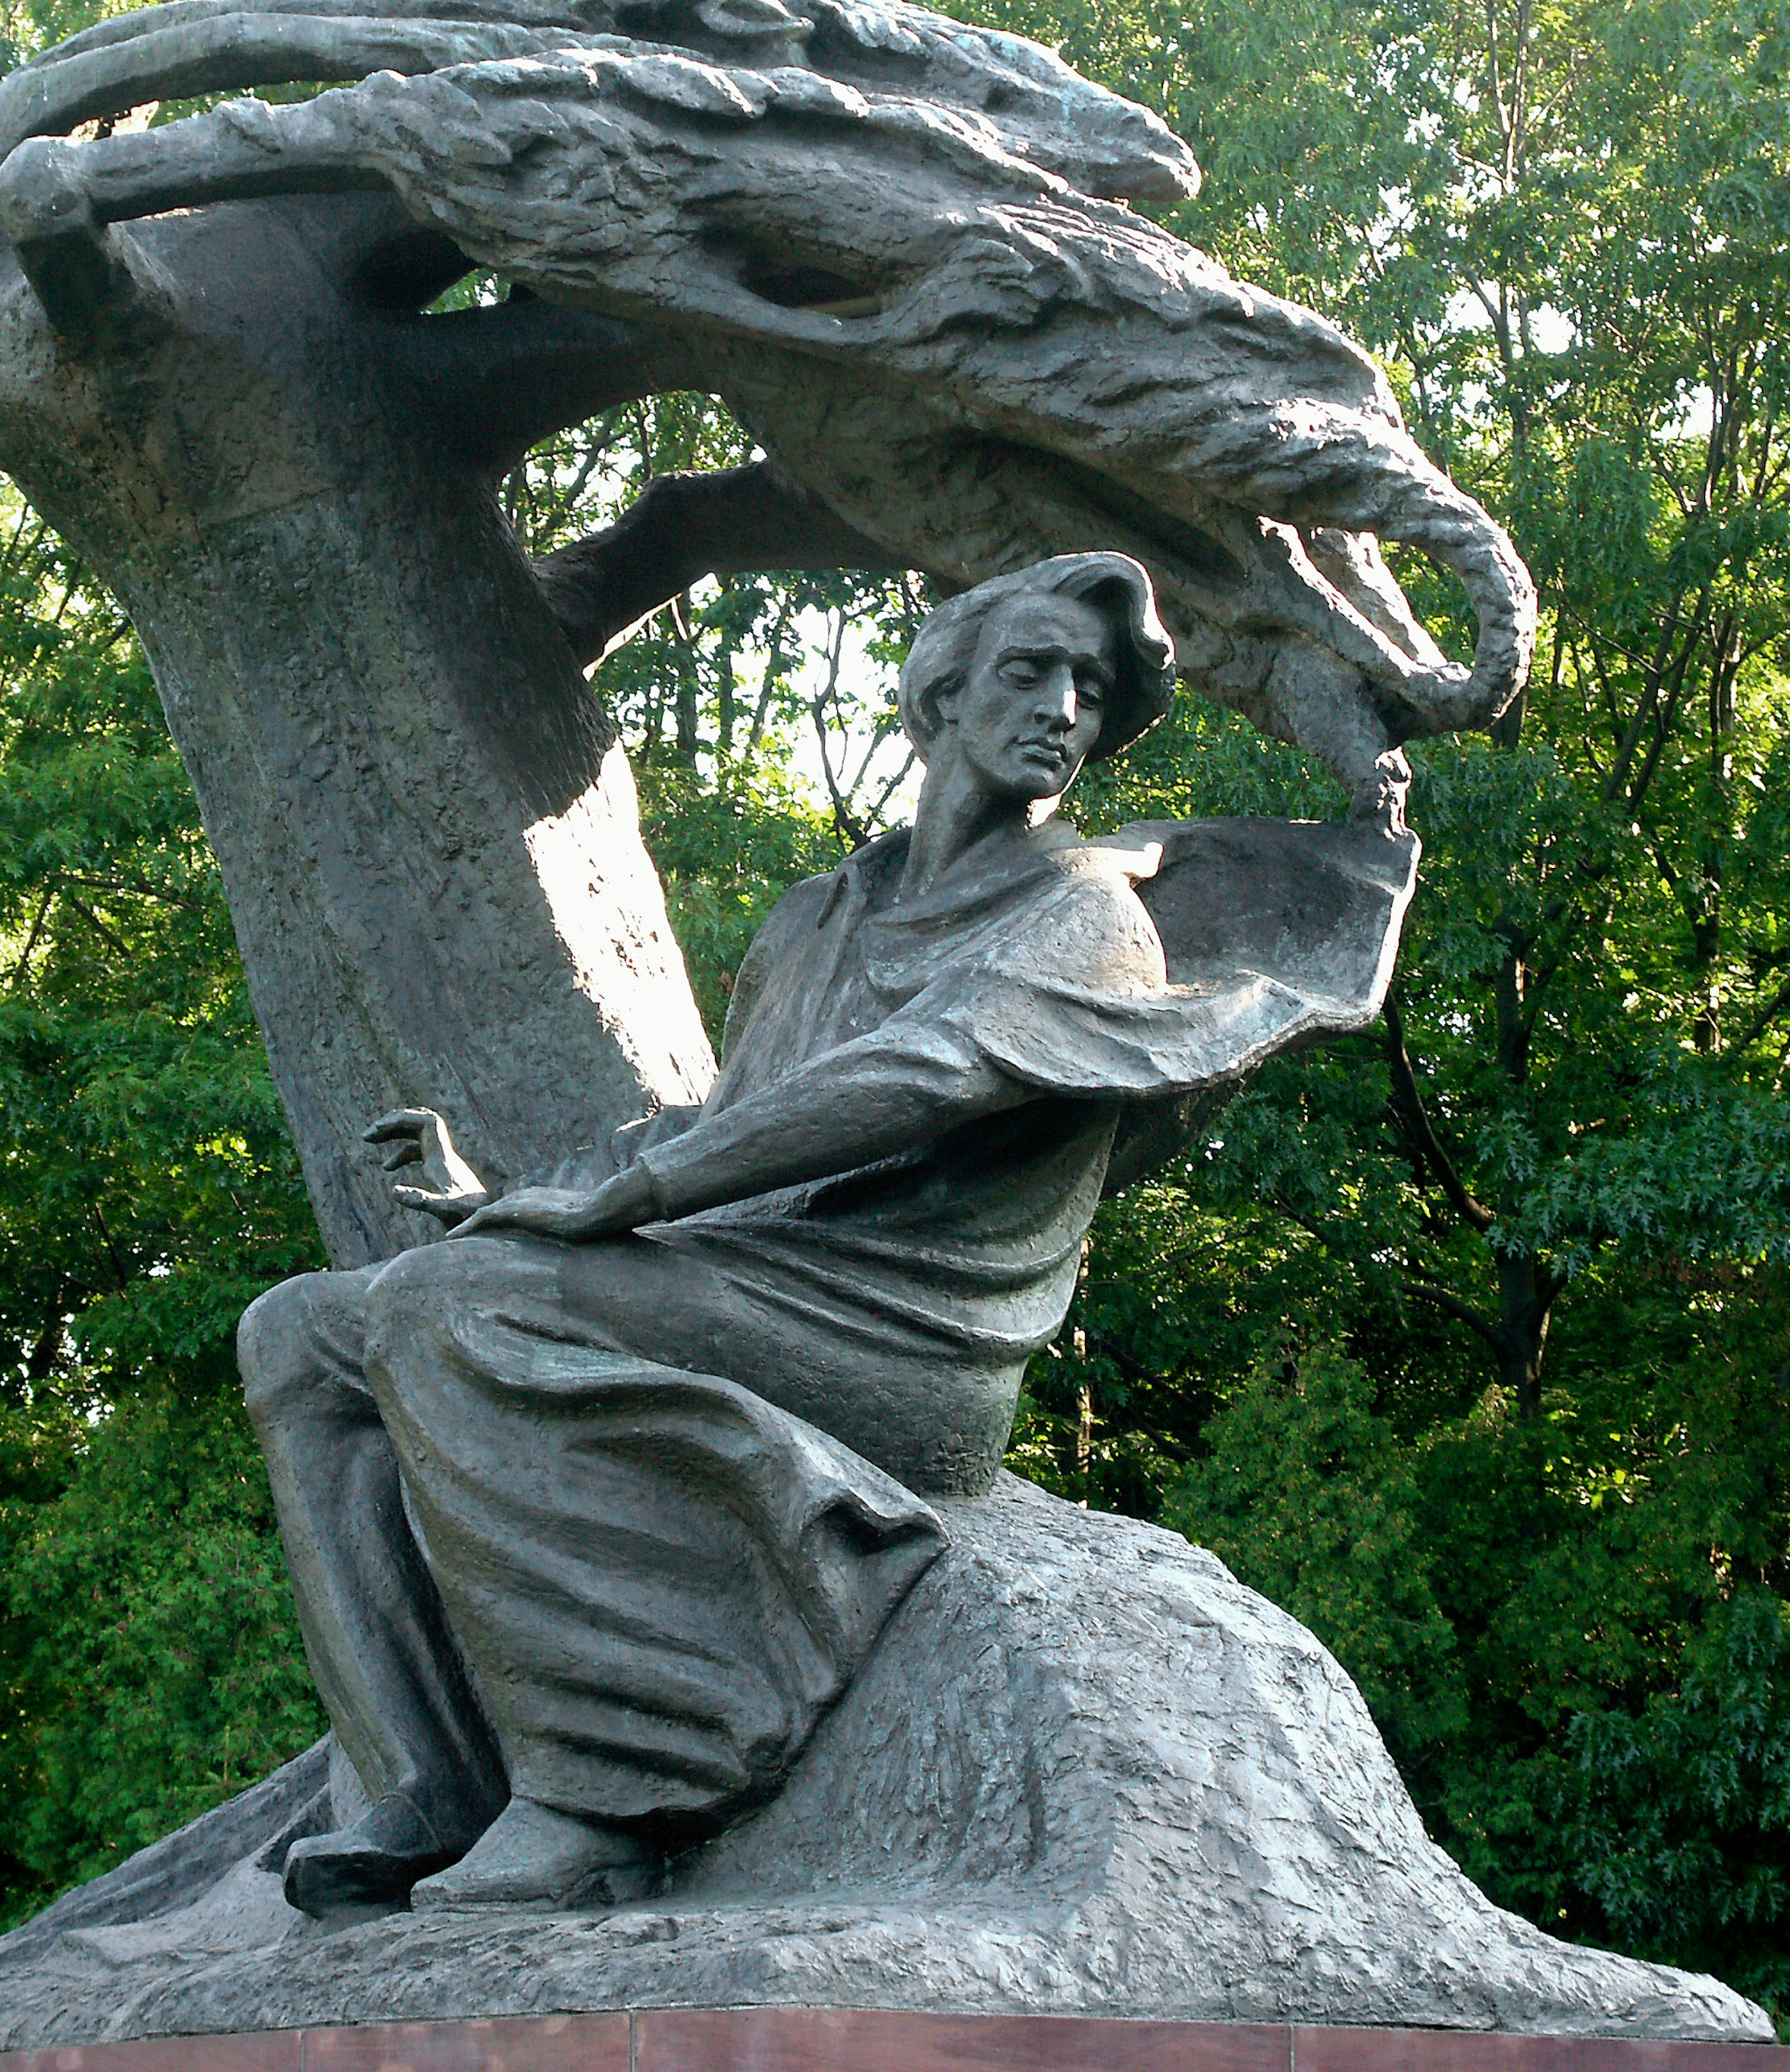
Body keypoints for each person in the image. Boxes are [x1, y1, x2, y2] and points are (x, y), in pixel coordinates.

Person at [237, 550, 1205, 1917]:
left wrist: (610, 1211)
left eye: (1092, 690)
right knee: (299, 1333)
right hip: (756, 1272)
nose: (1064, 709)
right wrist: (502, 1192)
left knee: (441, 1311)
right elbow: (725, 1116)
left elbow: (919, 1075)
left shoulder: (1086, 914)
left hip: (905, 1329)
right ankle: (425, 1780)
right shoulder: (818, 914)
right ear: (940, 691)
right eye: (1030, 671)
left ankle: (598, 1799)